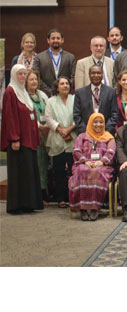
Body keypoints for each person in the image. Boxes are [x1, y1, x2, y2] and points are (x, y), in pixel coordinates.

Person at [1, 64, 43, 214]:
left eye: (24, 74)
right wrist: (14, 139)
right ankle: (16, 205)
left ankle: (28, 203)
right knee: (18, 173)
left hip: (29, 140)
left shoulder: (23, 92)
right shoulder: (10, 92)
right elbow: (9, 117)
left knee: (29, 173)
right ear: (13, 75)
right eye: (20, 74)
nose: (23, 77)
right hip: (18, 141)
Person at [68, 113, 116, 221]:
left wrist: (101, 161)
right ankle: (83, 209)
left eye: (101, 122)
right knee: (81, 170)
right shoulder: (82, 136)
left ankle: (95, 208)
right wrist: (85, 161)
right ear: (90, 123)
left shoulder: (109, 137)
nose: (98, 124)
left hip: (102, 166)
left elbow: (111, 152)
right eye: (95, 122)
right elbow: (76, 150)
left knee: (97, 172)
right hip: (83, 164)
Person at [44, 76, 77, 207]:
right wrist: (61, 130)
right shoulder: (51, 101)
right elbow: (48, 118)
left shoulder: (75, 99)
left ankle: (73, 197)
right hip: (57, 139)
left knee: (74, 170)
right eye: (62, 84)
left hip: (73, 138)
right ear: (57, 87)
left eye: (67, 84)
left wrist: (68, 130)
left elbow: (79, 115)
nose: (65, 86)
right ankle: (61, 198)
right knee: (59, 172)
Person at [73, 65, 119, 135]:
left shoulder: (111, 92)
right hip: (86, 135)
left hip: (106, 134)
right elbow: (76, 115)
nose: (96, 75)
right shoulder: (80, 93)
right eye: (93, 73)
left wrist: (104, 131)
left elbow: (114, 114)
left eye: (98, 73)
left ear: (102, 75)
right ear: (89, 75)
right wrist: (87, 132)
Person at [25, 69, 50, 199]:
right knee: (34, 164)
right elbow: (24, 115)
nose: (34, 82)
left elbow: (49, 111)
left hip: (45, 135)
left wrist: (47, 126)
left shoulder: (42, 95)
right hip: (31, 135)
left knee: (44, 163)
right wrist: (38, 127)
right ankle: (35, 195)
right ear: (25, 82)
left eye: (35, 79)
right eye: (31, 79)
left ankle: (44, 192)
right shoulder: (23, 96)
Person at [32, 28, 76, 96]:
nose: (55, 40)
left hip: (65, 96)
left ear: (62, 40)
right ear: (48, 40)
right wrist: (50, 92)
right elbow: (37, 77)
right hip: (45, 95)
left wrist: (64, 90)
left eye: (58, 38)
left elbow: (73, 77)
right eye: (53, 38)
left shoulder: (70, 57)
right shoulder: (39, 57)